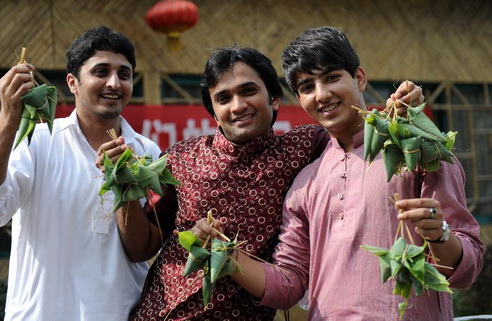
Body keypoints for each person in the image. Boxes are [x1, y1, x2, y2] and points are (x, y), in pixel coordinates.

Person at [97, 46, 423, 320]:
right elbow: (141, 248)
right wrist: (123, 187)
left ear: (275, 99)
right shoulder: (180, 159)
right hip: (162, 314)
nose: (238, 106)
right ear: (214, 111)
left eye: (248, 91)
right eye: (223, 98)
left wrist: (402, 110)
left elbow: (357, 133)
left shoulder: (306, 149)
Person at [205, 26, 485, 320]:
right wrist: (225, 253)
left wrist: (439, 234)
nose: (322, 94)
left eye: (331, 78)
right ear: (299, 98)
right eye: (307, 87)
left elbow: (467, 268)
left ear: (359, 78)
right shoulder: (305, 182)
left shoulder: (419, 152)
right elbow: (288, 286)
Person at [0, 26, 160, 320]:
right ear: (73, 82)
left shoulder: (148, 153)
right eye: (101, 71)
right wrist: (8, 117)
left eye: (124, 74)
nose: (114, 83)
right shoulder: (38, 141)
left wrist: (125, 189)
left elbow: (142, 250)